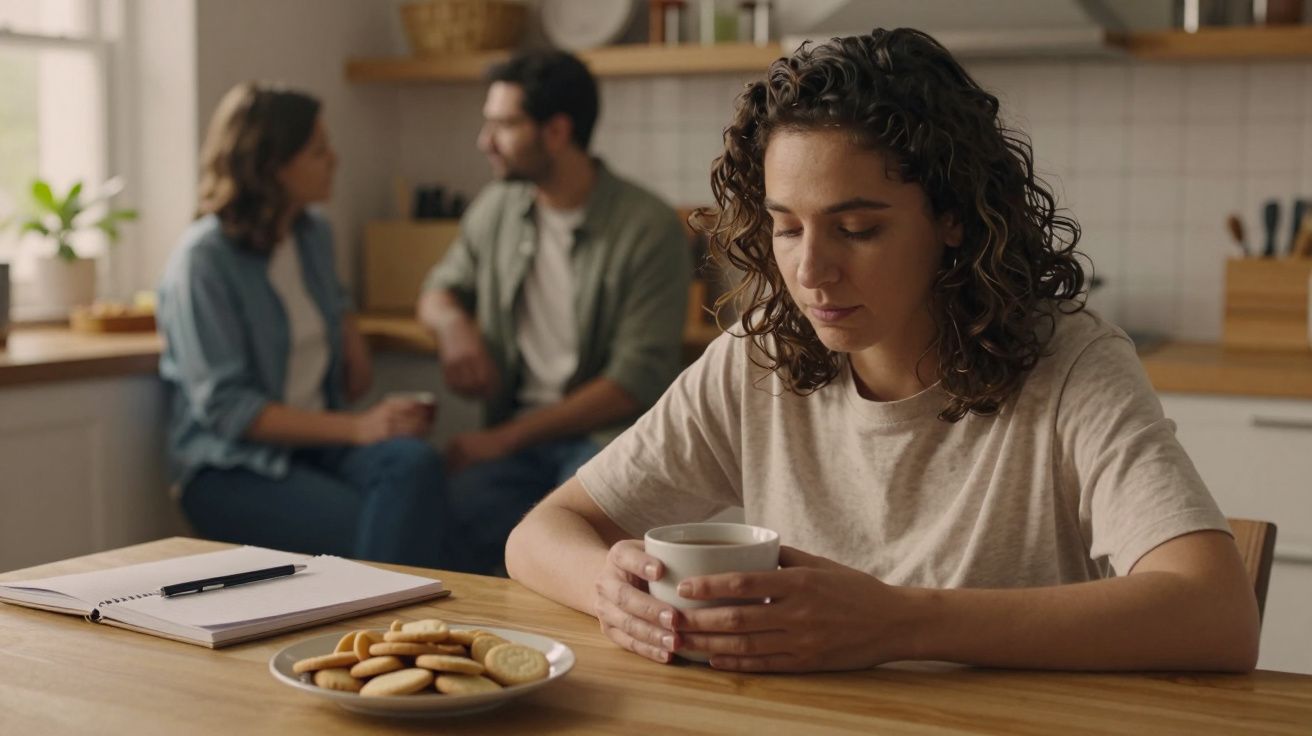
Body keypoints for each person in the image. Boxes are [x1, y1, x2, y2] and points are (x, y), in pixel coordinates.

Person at [503, 29, 1260, 673]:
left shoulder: (1071, 367)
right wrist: (609, 584)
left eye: (858, 229)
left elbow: (1218, 614)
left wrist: (898, 623)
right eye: (788, 227)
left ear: (954, 219)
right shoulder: (756, 358)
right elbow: (539, 535)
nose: (810, 271)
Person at [417, 51, 692, 575]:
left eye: (503, 125)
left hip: (604, 445)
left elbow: (633, 381)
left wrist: (500, 440)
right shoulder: (496, 209)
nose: (484, 141)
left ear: (557, 131)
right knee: (446, 512)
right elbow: (439, 288)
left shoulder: (647, 227)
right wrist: (453, 326)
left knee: (582, 550)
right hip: (514, 444)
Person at [158, 82, 451, 568]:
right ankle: (380, 635)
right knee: (387, 524)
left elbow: (351, 374)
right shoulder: (203, 261)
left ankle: (388, 626)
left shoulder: (313, 235)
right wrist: (359, 428)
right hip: (230, 468)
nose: (334, 160)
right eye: (318, 151)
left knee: (417, 464)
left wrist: (379, 408)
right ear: (272, 166)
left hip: (318, 447)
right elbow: (230, 411)